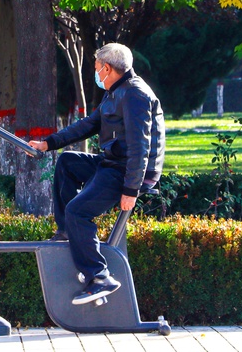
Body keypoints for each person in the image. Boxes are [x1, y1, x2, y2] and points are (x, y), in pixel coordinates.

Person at [28, 43, 165, 306]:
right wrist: (48, 143)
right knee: (68, 161)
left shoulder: (135, 94)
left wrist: (131, 190)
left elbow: (140, 146)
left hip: (128, 171)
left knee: (78, 210)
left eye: (96, 69)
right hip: (113, 162)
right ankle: (68, 231)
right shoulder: (116, 92)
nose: (96, 75)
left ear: (107, 68)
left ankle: (100, 277)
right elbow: (89, 125)